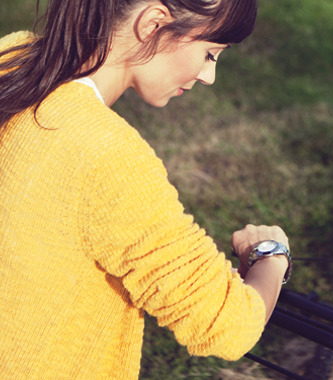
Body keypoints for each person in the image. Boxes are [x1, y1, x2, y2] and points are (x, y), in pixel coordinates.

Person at [0, 0, 291, 379]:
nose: (209, 76)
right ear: (153, 23)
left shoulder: (12, 56)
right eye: (209, 53)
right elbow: (228, 325)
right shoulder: (108, 157)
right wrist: (271, 255)